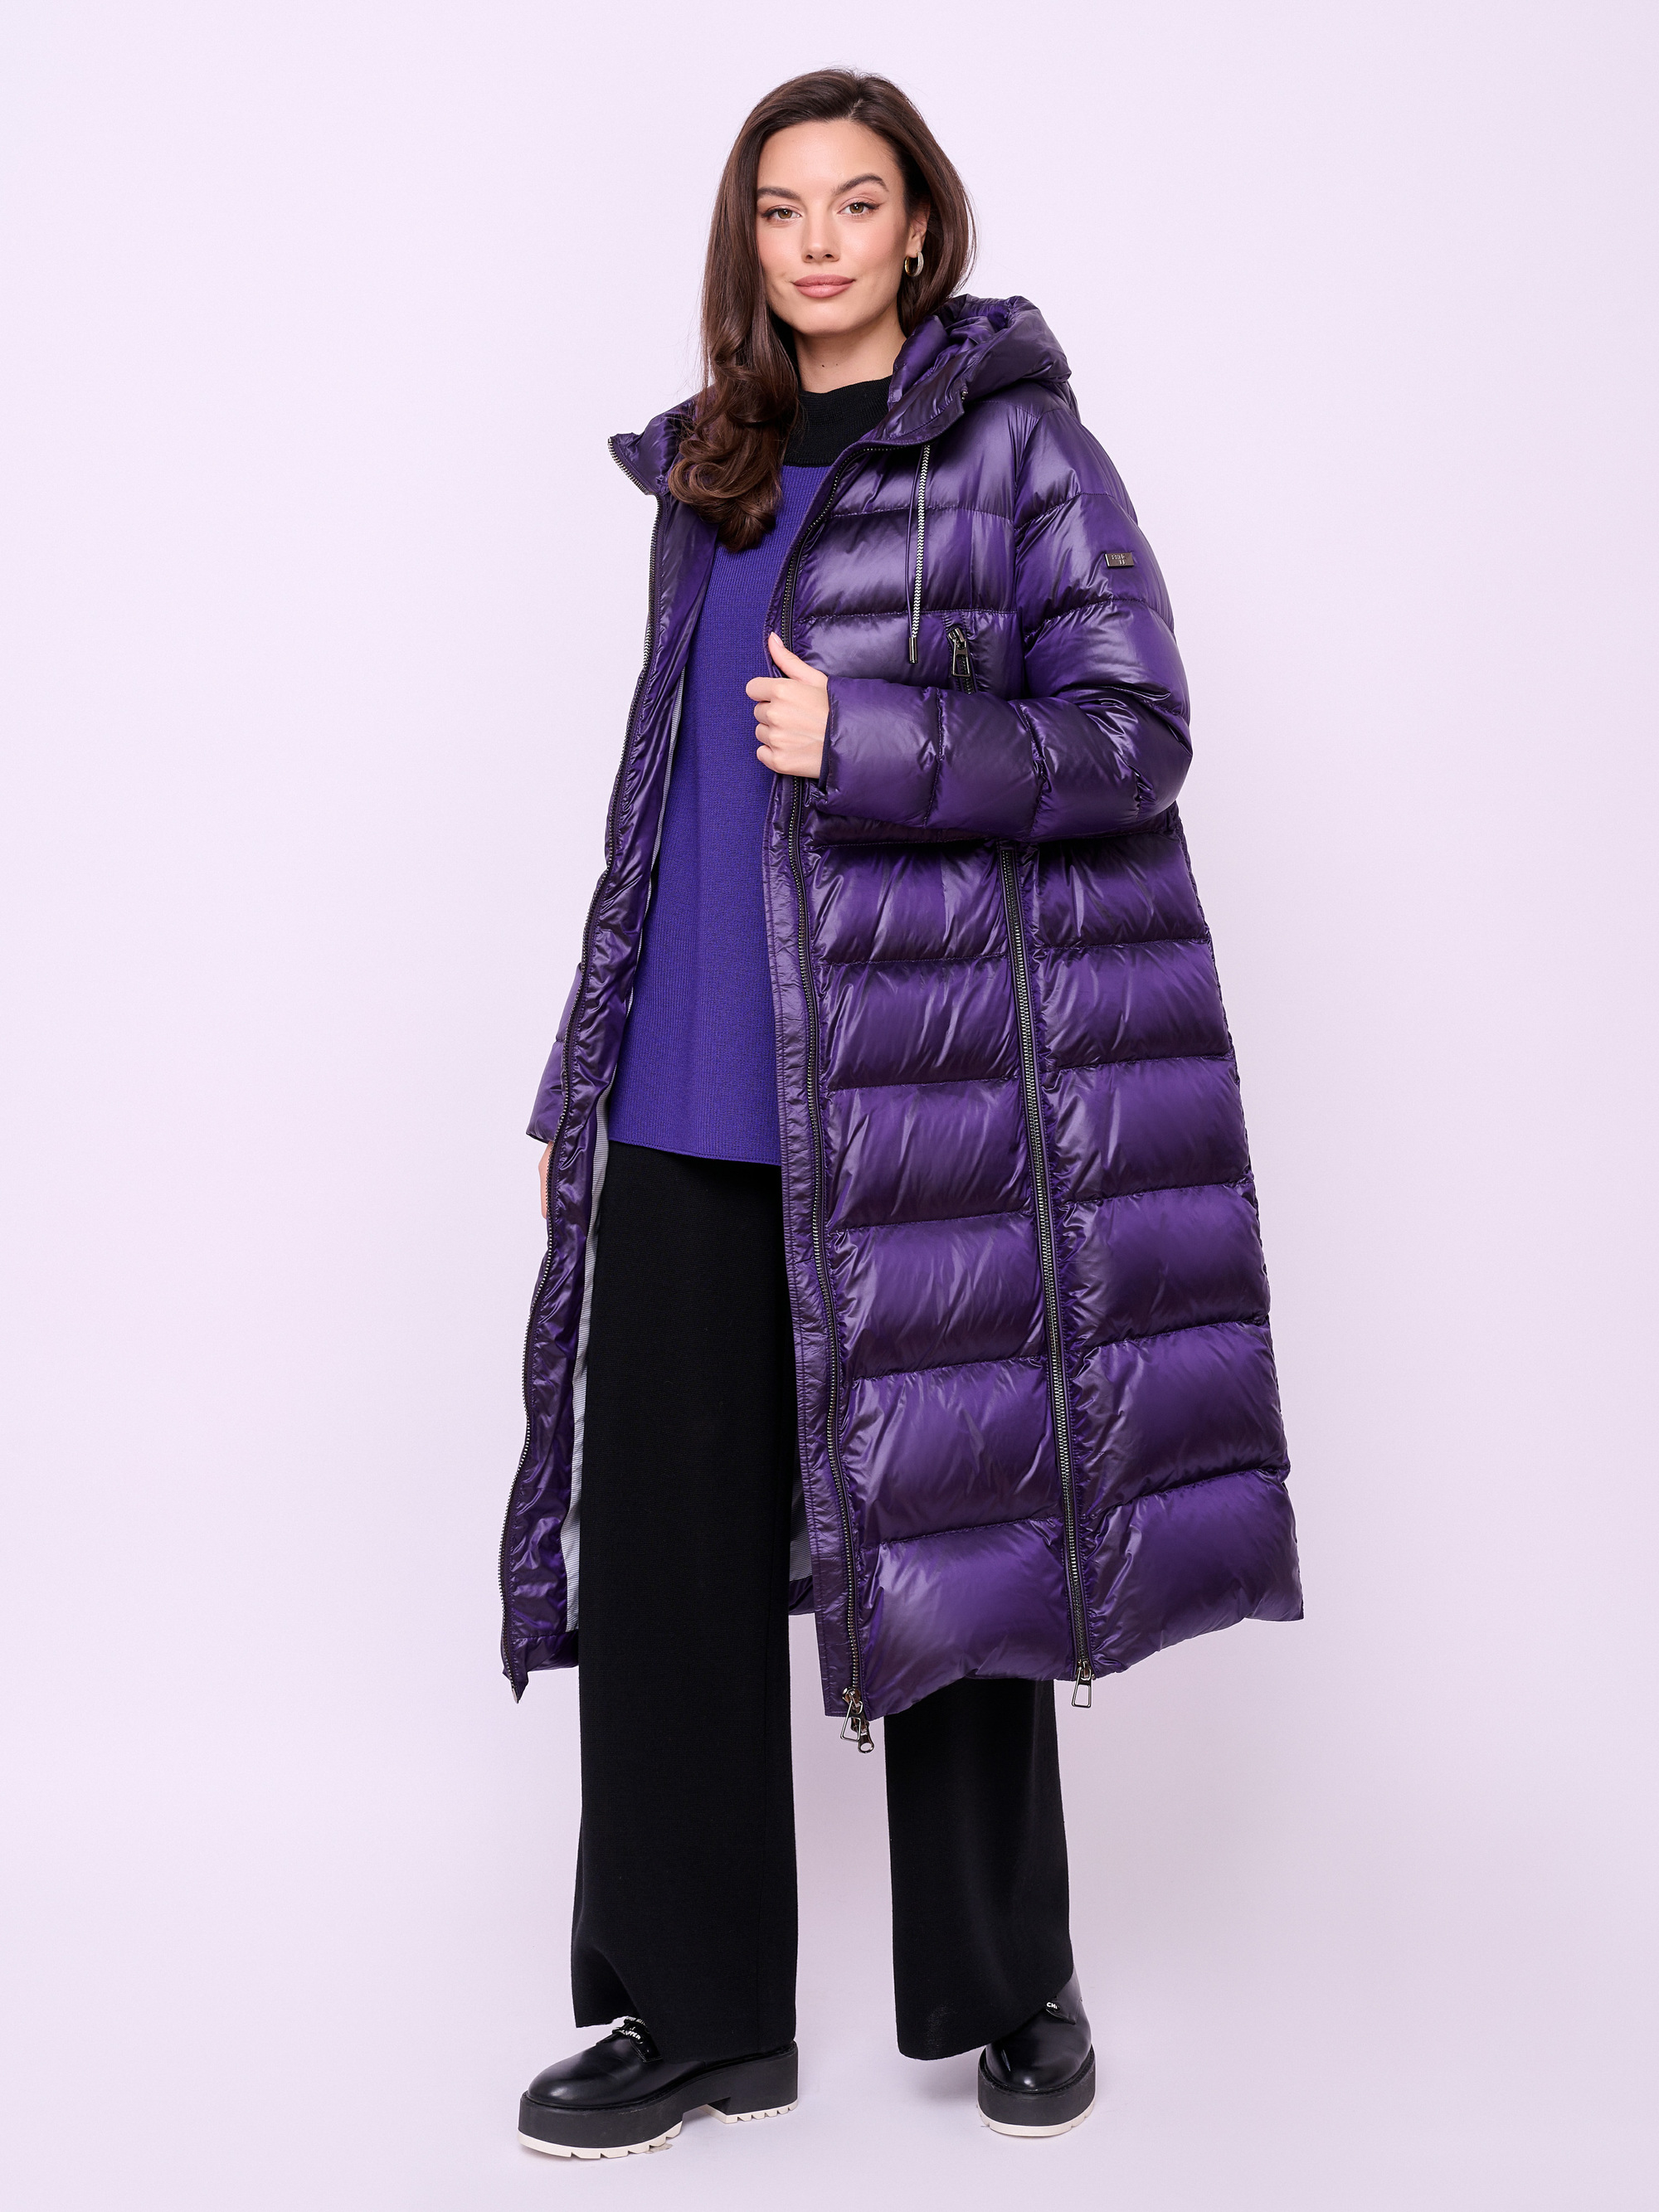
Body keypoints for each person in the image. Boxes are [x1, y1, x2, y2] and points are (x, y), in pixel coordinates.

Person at [499, 67, 1301, 2161]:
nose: (819, 244)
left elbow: (1132, 730)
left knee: (956, 1548)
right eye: (782, 210)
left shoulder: (1013, 444)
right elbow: (666, 794)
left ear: (919, 228)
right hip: (688, 1088)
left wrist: (870, 732)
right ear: (747, 240)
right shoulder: (710, 467)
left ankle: (1008, 1985)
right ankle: (695, 2014)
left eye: (856, 204)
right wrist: (590, 1046)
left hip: (912, 1095)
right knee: (664, 1565)